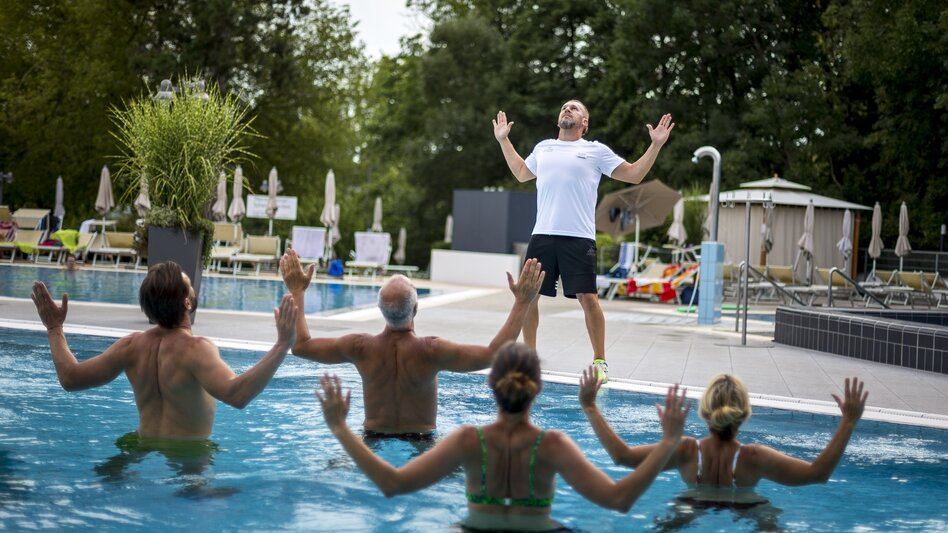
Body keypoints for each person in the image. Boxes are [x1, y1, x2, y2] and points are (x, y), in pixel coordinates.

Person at [316, 342, 690, 531]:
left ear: (492, 385)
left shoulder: (467, 440)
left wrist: (340, 428)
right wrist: (669, 442)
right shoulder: (554, 445)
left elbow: (392, 483)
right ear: (538, 388)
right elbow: (620, 499)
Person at [493, 101, 675, 382]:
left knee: (588, 299)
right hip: (542, 234)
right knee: (528, 298)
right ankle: (530, 359)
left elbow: (635, 174)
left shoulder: (595, 151)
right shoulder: (544, 148)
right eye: (564, 107)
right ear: (558, 118)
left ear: (585, 122)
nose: (567, 109)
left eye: (575, 109)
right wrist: (504, 140)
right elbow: (520, 173)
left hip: (579, 237)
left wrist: (656, 145)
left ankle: (600, 361)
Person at [280, 248, 544, 439]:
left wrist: (297, 291)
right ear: (416, 309)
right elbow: (493, 354)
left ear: (380, 310)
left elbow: (301, 346)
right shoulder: (432, 351)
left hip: (371, 441)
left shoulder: (359, 347)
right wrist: (522, 302)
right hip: (422, 444)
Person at [30, 260, 297, 440]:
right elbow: (237, 395)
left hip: (139, 444)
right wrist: (282, 345)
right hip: (189, 457)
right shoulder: (197, 350)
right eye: (190, 284)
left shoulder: (130, 346)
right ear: (187, 303)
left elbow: (71, 378)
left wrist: (54, 328)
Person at [579, 371, 868, 509]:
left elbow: (623, 457)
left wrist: (591, 407)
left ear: (705, 413)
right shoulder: (754, 458)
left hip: (690, 502)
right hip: (748, 504)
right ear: (744, 414)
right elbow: (817, 474)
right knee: (768, 519)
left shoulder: (685, 451)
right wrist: (848, 422)